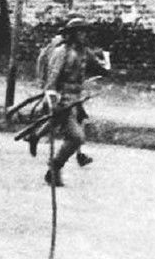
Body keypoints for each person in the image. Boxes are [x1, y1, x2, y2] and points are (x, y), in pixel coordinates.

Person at [41, 15, 110, 186]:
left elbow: (101, 69)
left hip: (76, 101)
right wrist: (53, 102)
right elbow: (52, 80)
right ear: (72, 34)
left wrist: (106, 60)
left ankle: (54, 168)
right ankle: (54, 167)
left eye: (85, 32)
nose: (84, 35)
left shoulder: (85, 53)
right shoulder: (61, 52)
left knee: (75, 137)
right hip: (63, 101)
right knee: (77, 137)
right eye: (80, 32)